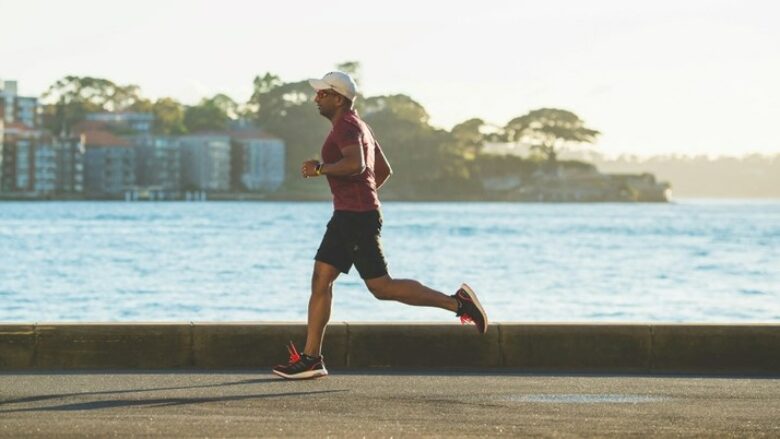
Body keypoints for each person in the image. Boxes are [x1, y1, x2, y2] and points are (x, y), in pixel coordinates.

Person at [272, 71, 488, 380]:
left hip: (355, 218)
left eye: (322, 93)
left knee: (381, 287)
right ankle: (311, 359)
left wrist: (321, 169)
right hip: (350, 215)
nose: (316, 97)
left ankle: (458, 303)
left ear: (338, 97)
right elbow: (382, 170)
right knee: (321, 279)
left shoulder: (347, 126)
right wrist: (362, 195)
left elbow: (357, 165)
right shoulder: (360, 126)